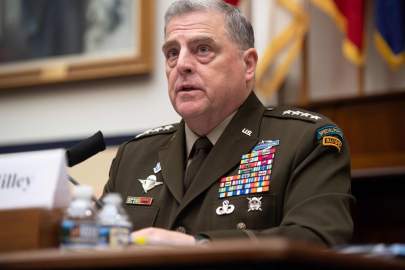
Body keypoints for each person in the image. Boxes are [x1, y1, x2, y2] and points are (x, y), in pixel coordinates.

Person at [103, 0, 353, 247]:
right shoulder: (133, 157)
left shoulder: (305, 141)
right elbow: (93, 244)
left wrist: (198, 246)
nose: (182, 65)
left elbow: (317, 238)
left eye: (202, 49)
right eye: (172, 53)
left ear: (248, 65)